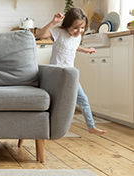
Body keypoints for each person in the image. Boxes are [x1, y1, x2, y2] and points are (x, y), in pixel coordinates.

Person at [36, 7, 107, 135]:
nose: (79, 31)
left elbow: (72, 46)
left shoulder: (77, 37)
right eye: (75, 28)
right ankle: (45, 126)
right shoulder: (58, 32)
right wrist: (53, 22)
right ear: (67, 24)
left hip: (70, 75)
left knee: (83, 99)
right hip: (56, 75)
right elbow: (40, 35)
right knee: (54, 102)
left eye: (82, 28)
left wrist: (84, 50)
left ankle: (91, 126)